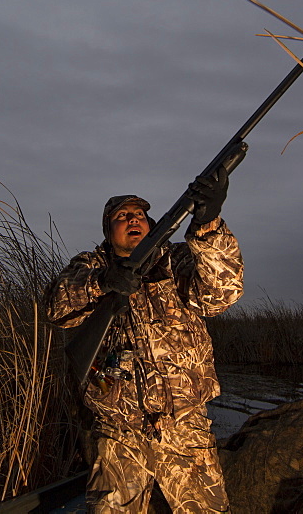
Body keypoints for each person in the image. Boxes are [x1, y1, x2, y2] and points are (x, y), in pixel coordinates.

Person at [43, 166, 244, 512]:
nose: (133, 219)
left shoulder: (177, 259)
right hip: (118, 432)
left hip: (185, 426)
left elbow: (221, 294)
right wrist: (103, 282)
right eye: (123, 216)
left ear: (151, 226)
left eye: (140, 215)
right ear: (109, 231)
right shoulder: (89, 265)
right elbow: (55, 306)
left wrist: (208, 223)